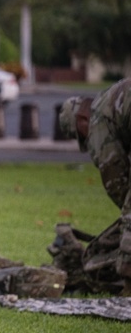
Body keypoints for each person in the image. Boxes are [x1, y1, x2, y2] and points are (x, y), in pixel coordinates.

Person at [58, 78, 131, 296]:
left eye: (81, 136)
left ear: (81, 120)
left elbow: (116, 178)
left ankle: (129, 290)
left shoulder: (97, 117)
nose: (86, 140)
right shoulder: (112, 96)